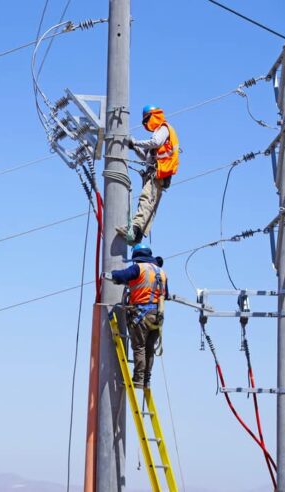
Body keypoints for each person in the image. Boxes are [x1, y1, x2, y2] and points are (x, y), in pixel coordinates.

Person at [116, 105, 180, 245]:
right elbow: (146, 157)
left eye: (147, 119)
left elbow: (155, 142)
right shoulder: (159, 132)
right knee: (148, 205)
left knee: (146, 201)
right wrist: (134, 147)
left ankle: (132, 231)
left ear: (154, 115)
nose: (146, 124)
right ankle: (136, 237)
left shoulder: (163, 128)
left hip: (158, 172)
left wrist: (136, 142)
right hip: (157, 173)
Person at [110, 243, 169, 388]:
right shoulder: (162, 272)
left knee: (139, 347)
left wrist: (111, 275)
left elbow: (121, 276)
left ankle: (138, 379)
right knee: (149, 348)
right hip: (157, 315)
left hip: (141, 314)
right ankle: (146, 380)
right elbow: (165, 294)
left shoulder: (139, 268)